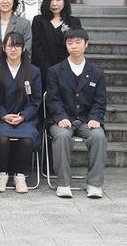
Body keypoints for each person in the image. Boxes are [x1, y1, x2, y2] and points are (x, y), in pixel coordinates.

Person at [46, 28, 107, 199]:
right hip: (62, 120)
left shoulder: (97, 73)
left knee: (98, 136)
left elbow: (100, 100)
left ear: (86, 44)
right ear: (66, 45)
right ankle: (63, 183)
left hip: (87, 120)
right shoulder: (55, 71)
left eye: (78, 42)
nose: (74, 46)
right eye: (70, 43)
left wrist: (95, 118)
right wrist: (61, 116)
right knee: (62, 136)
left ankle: (94, 184)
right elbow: (53, 98)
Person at [0, 32, 42, 194]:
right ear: (3, 48)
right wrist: (3, 115)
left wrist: (24, 116)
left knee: (27, 139)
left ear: (23, 48)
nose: (13, 50)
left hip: (26, 118)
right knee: (2, 137)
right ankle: (2, 173)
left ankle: (20, 176)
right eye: (9, 46)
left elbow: (36, 100)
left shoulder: (33, 71)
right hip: (2, 117)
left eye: (17, 46)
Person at [31, 0, 82, 88]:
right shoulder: (38, 21)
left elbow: (75, 48)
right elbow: (37, 49)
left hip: (67, 72)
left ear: (65, 1)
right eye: (51, 0)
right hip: (43, 72)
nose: (54, 3)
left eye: (58, 0)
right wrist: (50, 71)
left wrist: (63, 70)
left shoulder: (73, 22)